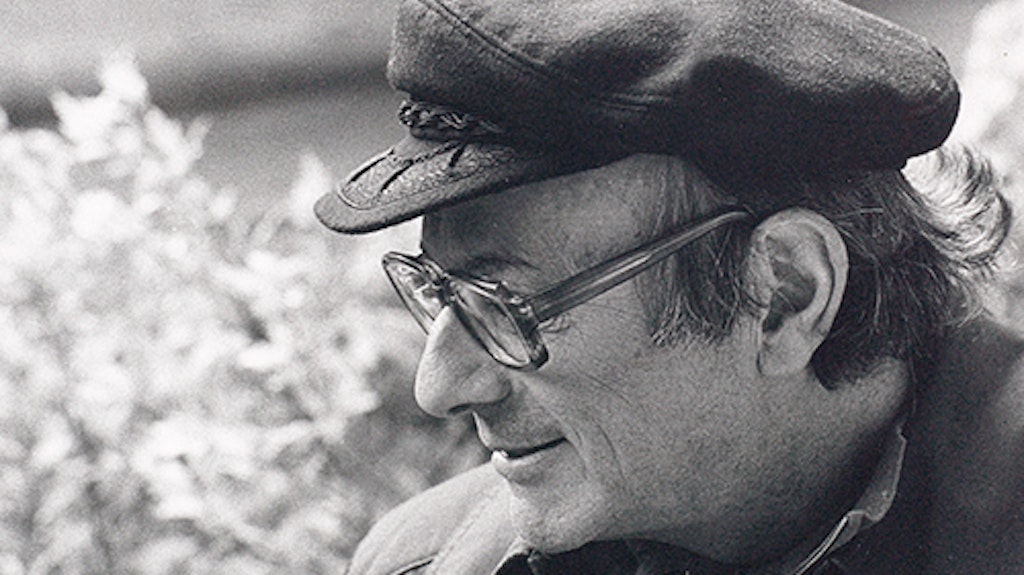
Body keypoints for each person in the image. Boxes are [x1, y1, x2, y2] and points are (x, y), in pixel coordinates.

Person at [314, 0, 1024, 572]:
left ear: (784, 293)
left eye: (507, 306)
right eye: (439, 291)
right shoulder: (424, 562)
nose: (438, 385)